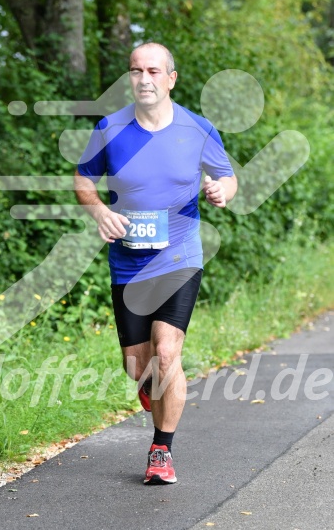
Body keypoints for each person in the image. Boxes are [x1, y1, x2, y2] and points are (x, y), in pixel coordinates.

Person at [75, 42, 237, 484]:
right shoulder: (110, 128)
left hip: (179, 257)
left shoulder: (198, 128)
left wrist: (223, 191)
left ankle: (161, 451)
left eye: (152, 70)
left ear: (170, 78)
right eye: (135, 71)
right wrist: (99, 211)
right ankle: (150, 388)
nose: (143, 79)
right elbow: (83, 180)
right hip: (128, 264)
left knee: (167, 354)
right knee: (139, 367)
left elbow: (227, 176)